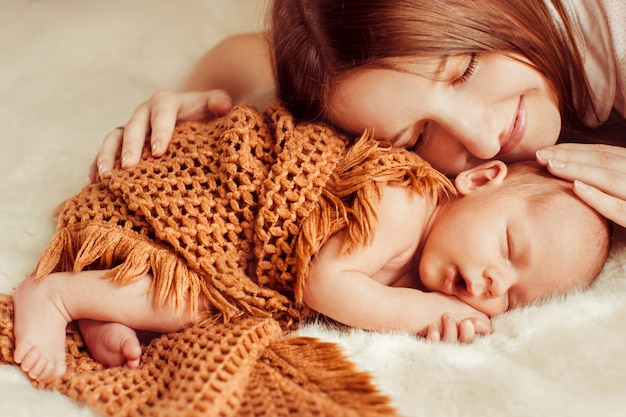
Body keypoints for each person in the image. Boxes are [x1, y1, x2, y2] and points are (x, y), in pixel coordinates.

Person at [13, 158, 611, 381]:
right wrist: (424, 311)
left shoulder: (424, 254)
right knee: (188, 302)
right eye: (509, 246)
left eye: (514, 296)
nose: (492, 284)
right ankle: (56, 294)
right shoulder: (404, 200)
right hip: (206, 204)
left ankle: (101, 308)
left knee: (192, 317)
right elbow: (325, 284)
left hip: (212, 243)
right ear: (479, 181)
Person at [91, 0, 626, 227]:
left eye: (464, 70)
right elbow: (238, 54)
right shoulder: (348, 63)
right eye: (417, 137)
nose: (484, 142)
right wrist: (202, 106)